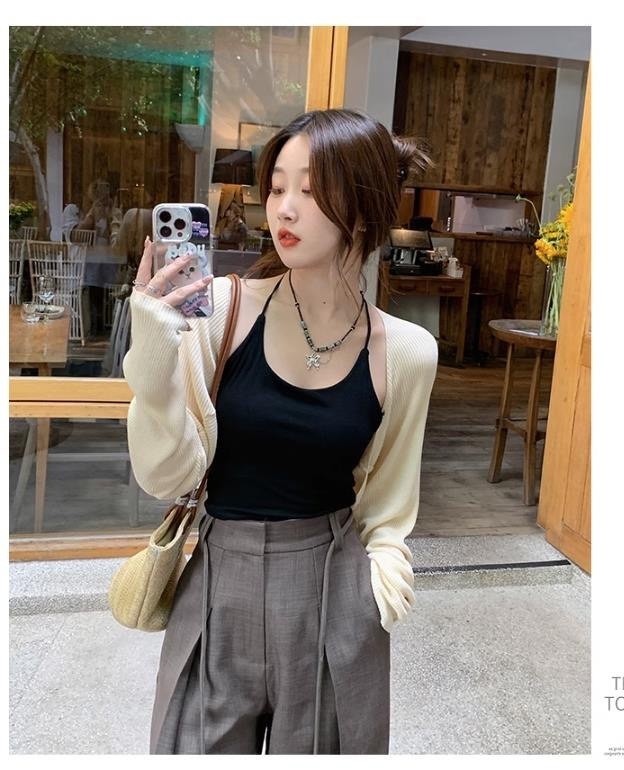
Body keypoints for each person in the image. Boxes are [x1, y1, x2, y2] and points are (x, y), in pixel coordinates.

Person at [123, 108, 438, 755]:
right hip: (218, 580)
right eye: (276, 187)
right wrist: (153, 362)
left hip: (332, 587)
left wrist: (379, 590)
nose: (284, 208)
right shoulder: (223, 311)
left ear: (363, 208)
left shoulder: (406, 351)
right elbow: (162, 476)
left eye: (311, 189)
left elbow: (388, 505)